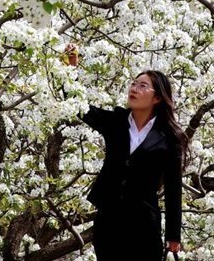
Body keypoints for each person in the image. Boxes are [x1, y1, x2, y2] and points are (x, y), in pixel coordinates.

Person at [65, 46, 186, 261]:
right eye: (133, 84)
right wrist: (70, 70)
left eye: (143, 86)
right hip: (108, 221)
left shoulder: (169, 138)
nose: (134, 89)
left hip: (144, 225)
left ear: (157, 98)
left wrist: (173, 235)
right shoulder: (116, 122)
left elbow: (173, 188)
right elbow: (79, 107)